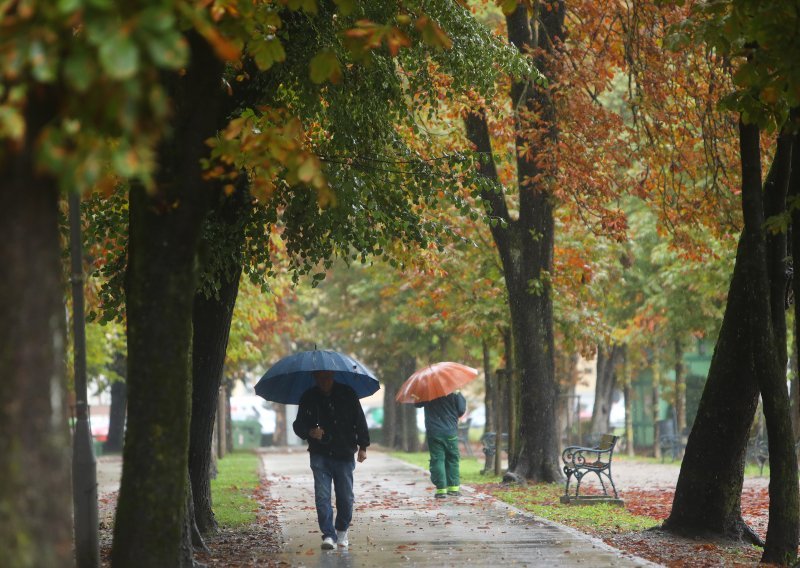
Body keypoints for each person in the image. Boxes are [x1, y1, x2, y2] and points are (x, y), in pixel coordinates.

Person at [293, 370, 369, 550]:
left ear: (332, 375)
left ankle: (341, 530)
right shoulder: (309, 397)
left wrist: (363, 446)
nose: (323, 381)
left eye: (326, 377)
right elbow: (298, 424)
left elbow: (359, 419)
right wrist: (310, 432)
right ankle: (328, 535)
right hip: (319, 454)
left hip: (344, 453)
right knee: (322, 497)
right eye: (319, 378)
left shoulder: (347, 393)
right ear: (315, 378)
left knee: (345, 497)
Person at [416, 391, 466, 498]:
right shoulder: (454, 391)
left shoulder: (428, 391)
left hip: (434, 432)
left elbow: (417, 404)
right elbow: (461, 410)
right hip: (450, 431)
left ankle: (441, 490)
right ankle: (453, 488)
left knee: (438, 459)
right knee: (452, 459)